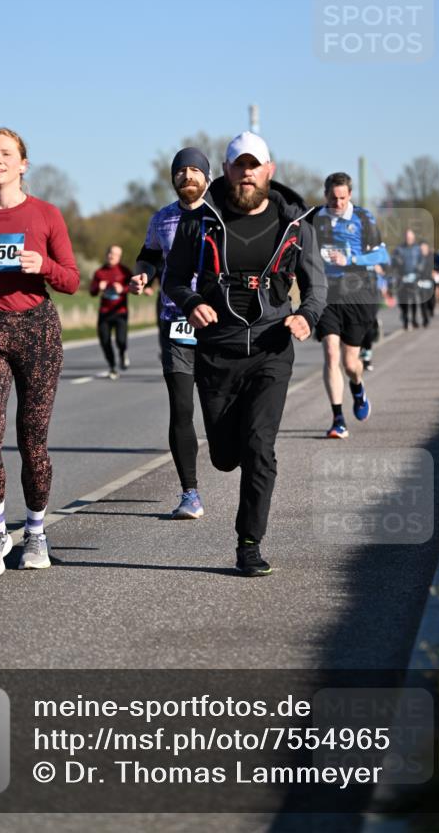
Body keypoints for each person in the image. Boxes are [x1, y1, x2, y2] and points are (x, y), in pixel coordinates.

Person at [164, 131, 327, 576]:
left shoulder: (296, 224)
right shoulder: (199, 220)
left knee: (260, 447)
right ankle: (225, 451)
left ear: (269, 171)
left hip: (272, 349)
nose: (248, 172)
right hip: (217, 351)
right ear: (228, 169)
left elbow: (316, 287)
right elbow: (173, 278)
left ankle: (249, 544)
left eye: (256, 165)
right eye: (240, 165)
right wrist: (192, 302)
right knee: (224, 455)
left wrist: (307, 317)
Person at [0, 127, 80, 577]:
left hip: (38, 332)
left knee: (31, 440)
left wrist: (41, 265)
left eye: (6, 154)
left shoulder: (45, 215)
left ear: (23, 164)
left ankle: (37, 532)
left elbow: (71, 279)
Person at [129, 147, 210, 519]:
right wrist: (144, 273)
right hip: (174, 320)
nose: (187, 176)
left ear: (207, 178)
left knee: (221, 408)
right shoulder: (161, 219)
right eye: (181, 171)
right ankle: (189, 492)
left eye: (195, 170)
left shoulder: (220, 218)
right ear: (173, 178)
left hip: (217, 323)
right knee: (181, 407)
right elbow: (148, 254)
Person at [310, 173, 389, 439]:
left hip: (357, 295)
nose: (339, 202)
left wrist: (351, 258)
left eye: (343, 198)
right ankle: (338, 419)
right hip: (327, 294)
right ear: (325, 196)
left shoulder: (364, 218)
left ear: (350, 195)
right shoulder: (316, 218)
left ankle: (357, 386)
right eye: (333, 198)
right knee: (331, 353)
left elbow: (382, 254)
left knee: (350, 362)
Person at [90, 245, 132, 379]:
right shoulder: (99, 273)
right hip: (104, 312)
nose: (111, 256)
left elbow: (133, 288)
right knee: (105, 341)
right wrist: (98, 287)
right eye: (109, 253)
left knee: (120, 340)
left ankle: (123, 352)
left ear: (119, 257)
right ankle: (112, 367)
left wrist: (123, 289)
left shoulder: (125, 271)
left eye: (115, 254)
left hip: (120, 311)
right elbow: (92, 292)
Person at [391, 229, 423, 331]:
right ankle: (405, 319)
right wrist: (397, 262)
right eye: (407, 237)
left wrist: (419, 270)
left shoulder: (417, 248)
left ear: (413, 238)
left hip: (414, 277)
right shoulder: (399, 249)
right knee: (403, 300)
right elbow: (393, 261)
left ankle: (413, 319)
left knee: (413, 299)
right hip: (402, 277)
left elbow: (422, 260)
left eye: (410, 237)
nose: (408, 239)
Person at [417, 240, 436, 326]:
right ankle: (425, 319)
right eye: (421, 248)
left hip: (430, 281)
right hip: (421, 281)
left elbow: (438, 265)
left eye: (424, 248)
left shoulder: (432, 256)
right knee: (423, 301)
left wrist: (435, 271)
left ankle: (431, 309)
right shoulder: (418, 257)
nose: (423, 250)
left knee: (431, 300)